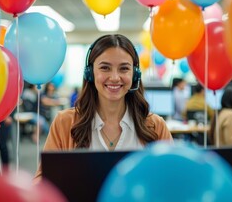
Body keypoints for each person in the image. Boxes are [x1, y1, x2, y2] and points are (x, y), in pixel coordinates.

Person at [34, 34, 173, 181]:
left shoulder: (155, 126)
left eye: (124, 69)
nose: (114, 77)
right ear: (90, 73)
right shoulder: (64, 122)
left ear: (135, 75)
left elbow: (172, 180)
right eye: (105, 68)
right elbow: (43, 183)